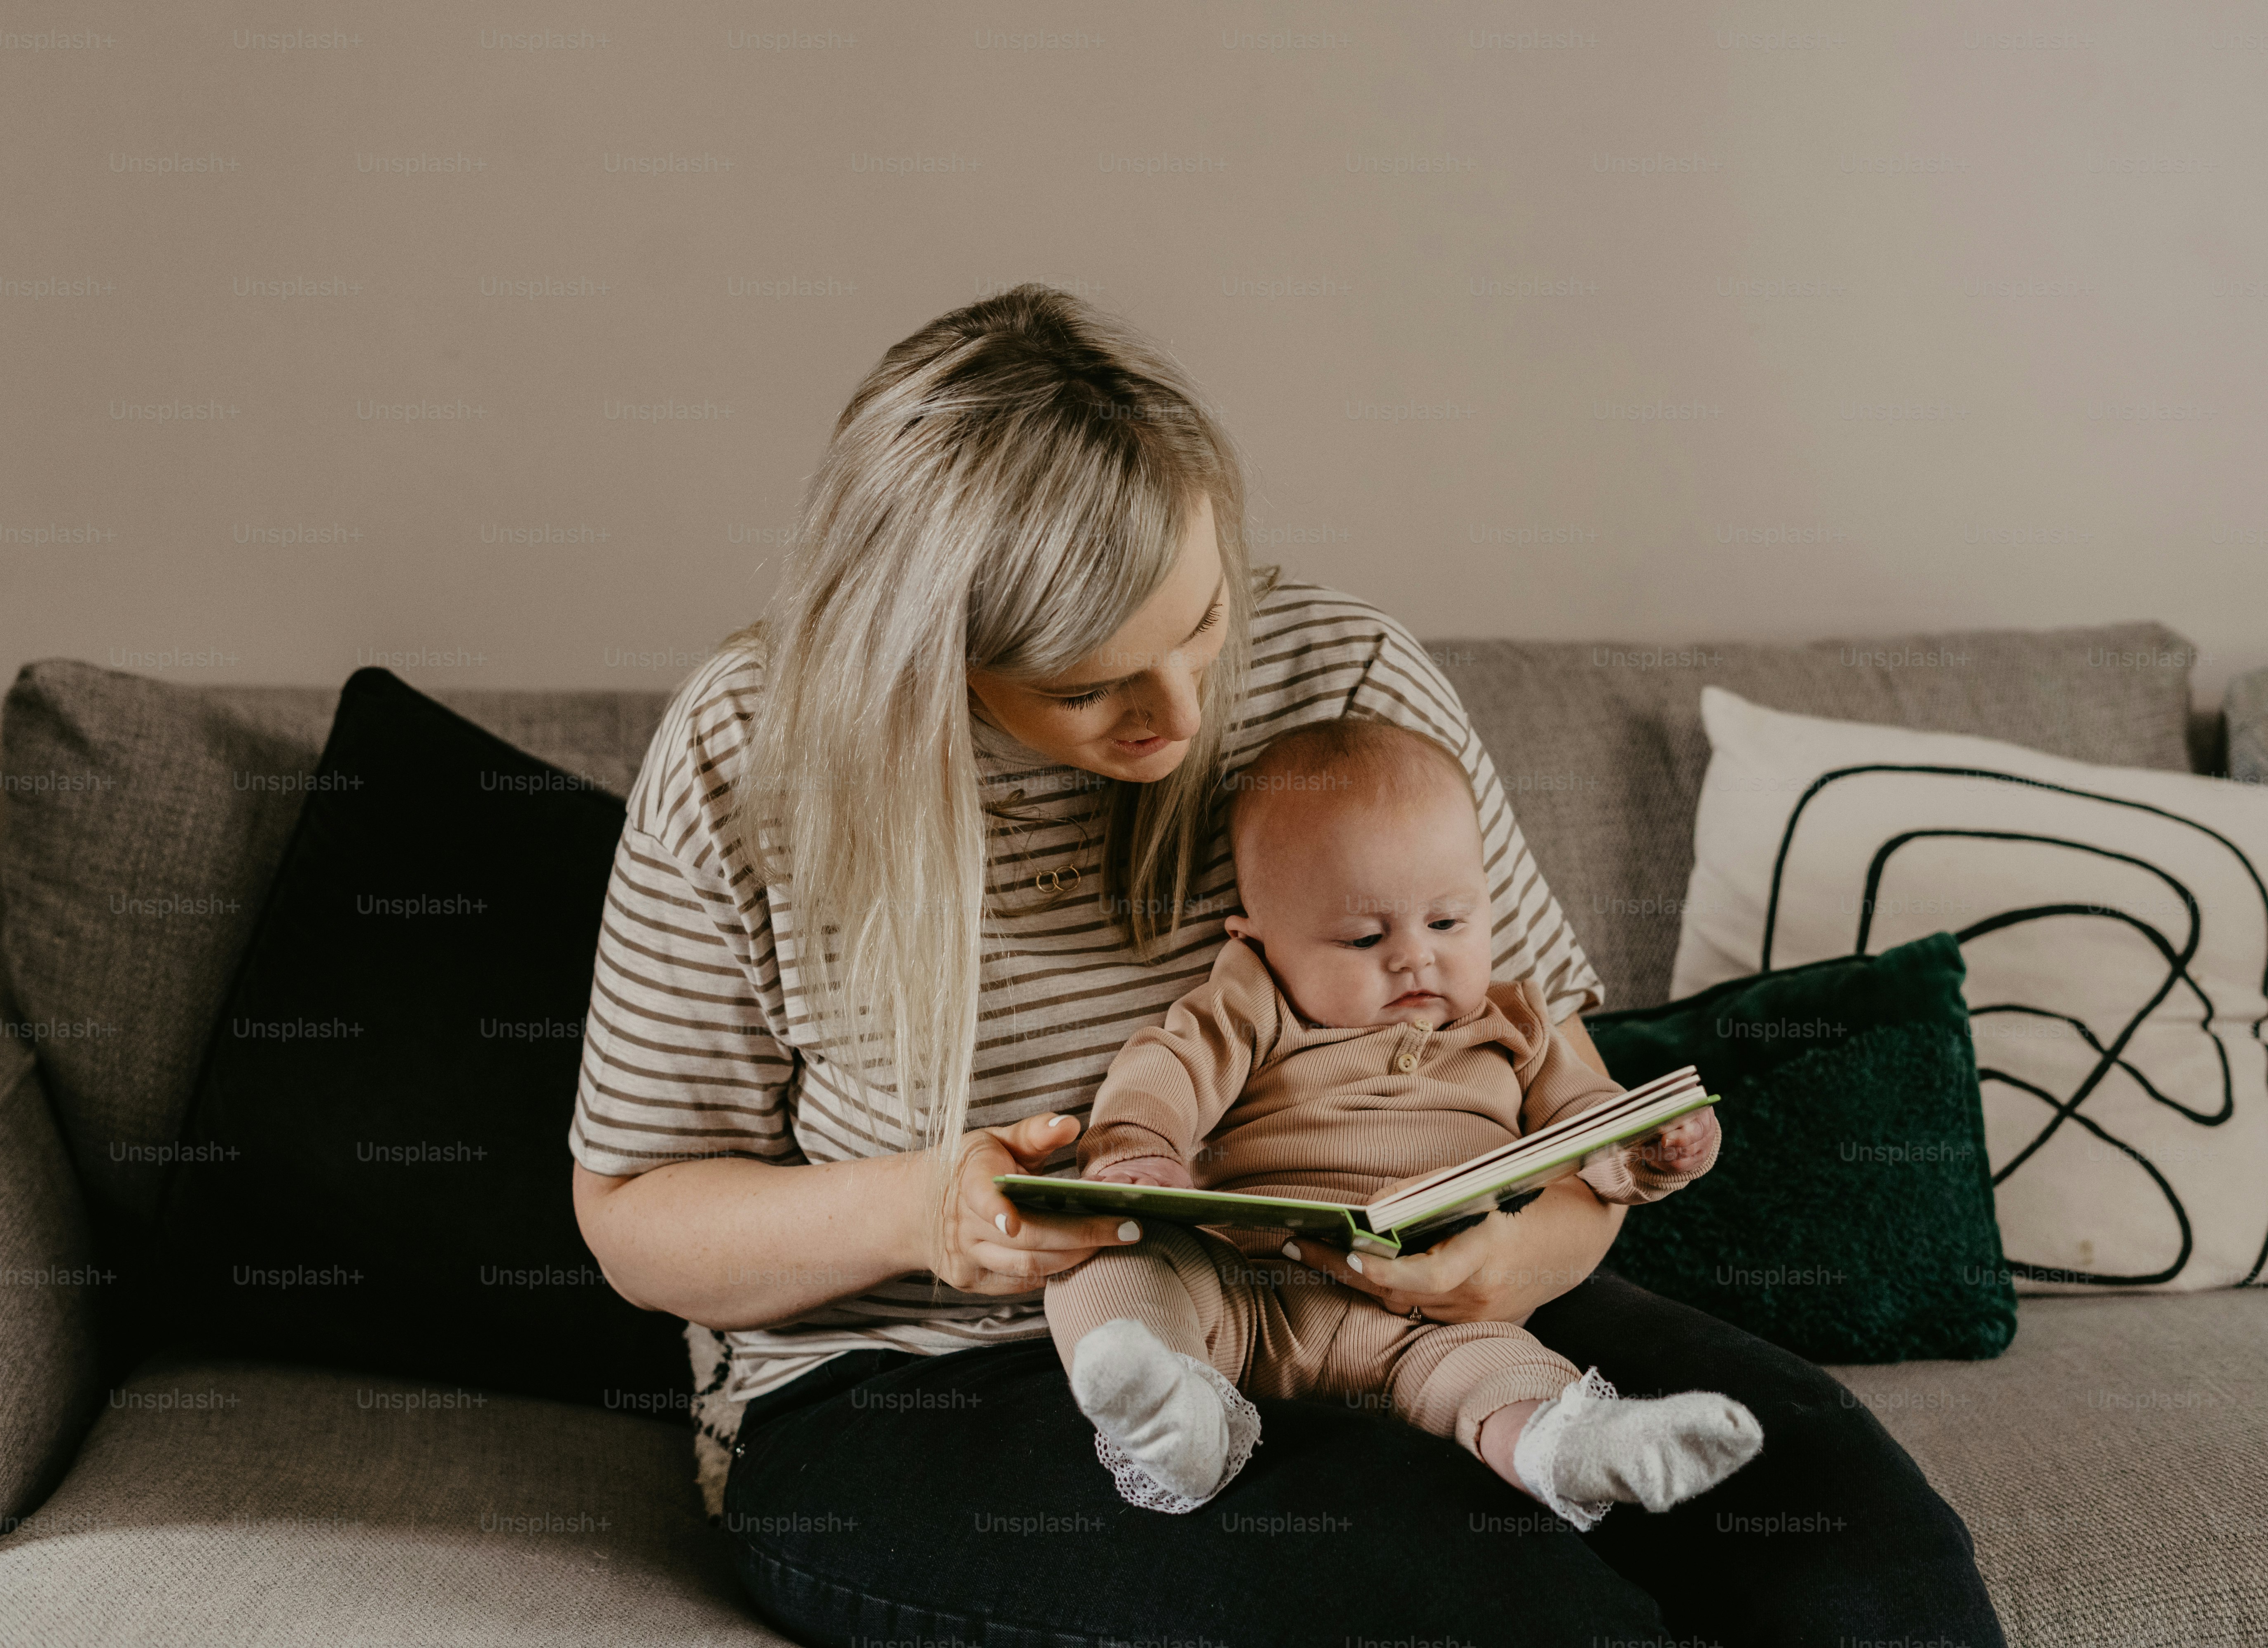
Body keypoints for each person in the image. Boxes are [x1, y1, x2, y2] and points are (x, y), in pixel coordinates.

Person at [569, 283, 2007, 1647]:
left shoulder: (1347, 681)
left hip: (1403, 1303)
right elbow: (635, 1218)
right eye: (1088, 685)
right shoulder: (746, 757)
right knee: (1492, 1610)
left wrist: (1531, 1251)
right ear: (922, 657)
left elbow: (1560, 1085)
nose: (1182, 714)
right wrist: (924, 1211)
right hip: (924, 1380)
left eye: (1202, 624)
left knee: (1857, 1556)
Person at [1047, 715, 1760, 1529]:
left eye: (1449, 923)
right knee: (1102, 1262)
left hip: (1431, 1319)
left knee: (1501, 1372)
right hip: (1249, 1291)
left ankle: (1575, 1445)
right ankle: (1177, 1417)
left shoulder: (1515, 1023)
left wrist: (1646, 1145)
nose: (1415, 956)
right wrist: (1141, 1149)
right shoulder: (1256, 1003)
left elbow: (1580, 1119)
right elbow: (1167, 1065)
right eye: (1363, 935)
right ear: (1258, 939)